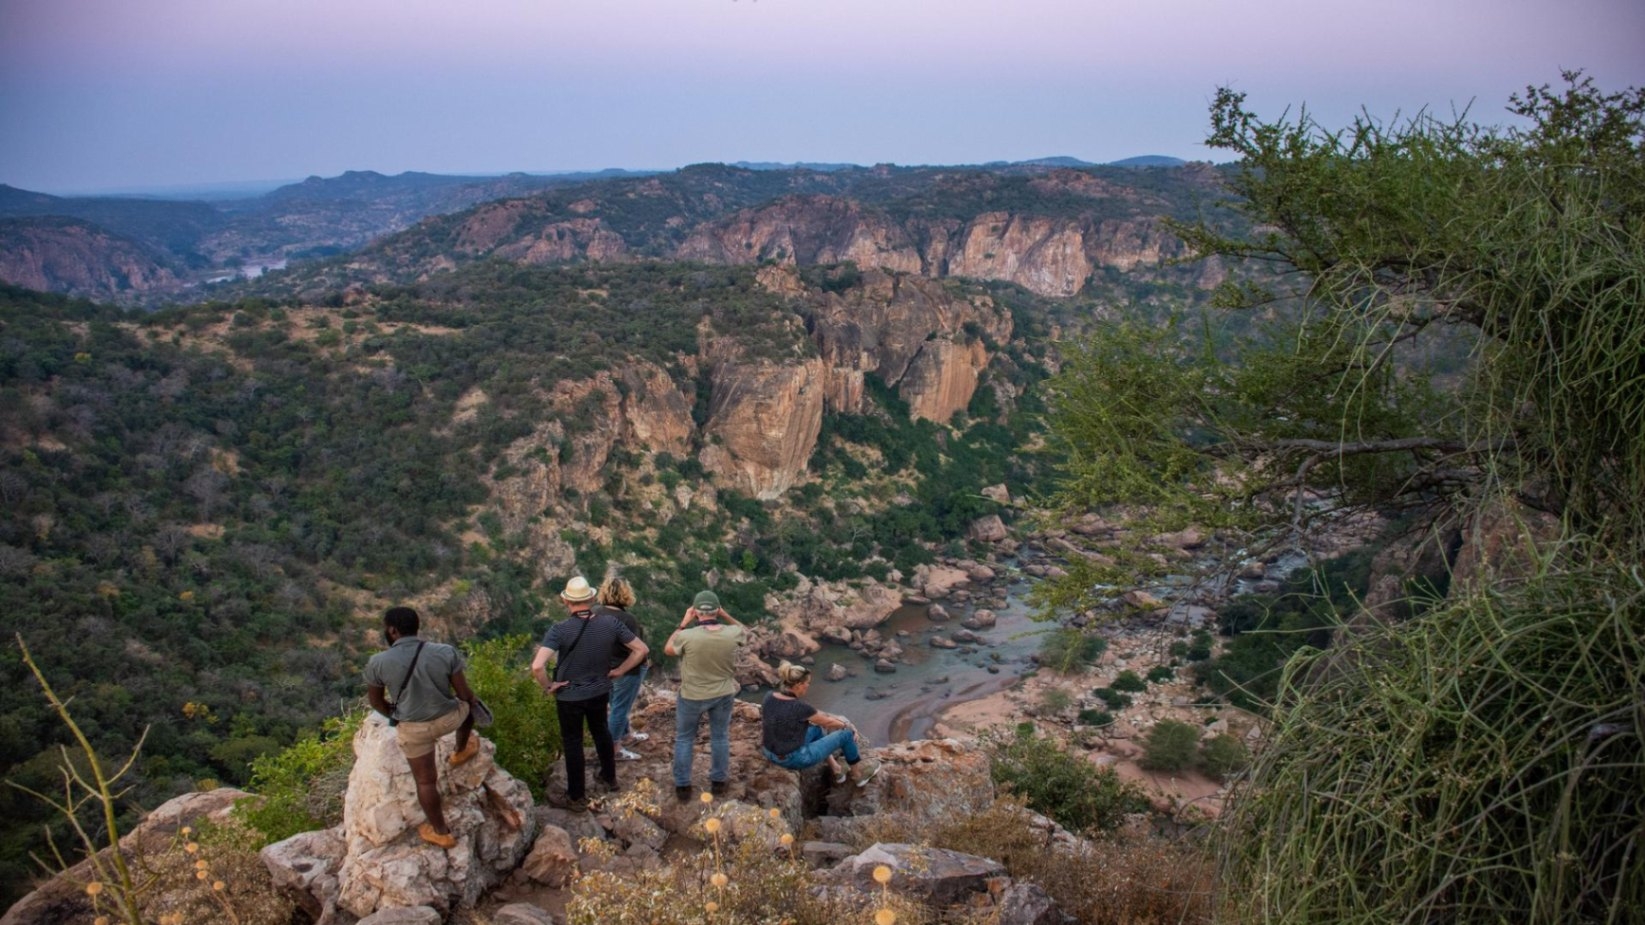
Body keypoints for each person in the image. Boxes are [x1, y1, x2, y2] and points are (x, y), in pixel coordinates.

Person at [363, 606, 481, 849]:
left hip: (414, 730)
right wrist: (469, 701)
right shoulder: (445, 652)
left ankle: (441, 832)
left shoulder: (377, 663)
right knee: (470, 706)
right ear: (417, 627)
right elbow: (464, 694)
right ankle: (460, 750)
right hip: (448, 719)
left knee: (426, 782)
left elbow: (376, 702)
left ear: (392, 631)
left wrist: (397, 715)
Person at [532, 576, 648, 812]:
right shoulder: (610, 625)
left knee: (573, 742)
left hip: (569, 696)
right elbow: (641, 650)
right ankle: (609, 778)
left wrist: (549, 686)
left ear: (565, 601)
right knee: (601, 732)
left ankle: (576, 797)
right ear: (592, 599)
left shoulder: (559, 630)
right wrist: (619, 671)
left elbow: (537, 666)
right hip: (599, 690)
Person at [663, 590, 745, 801]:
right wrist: (725, 615)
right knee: (720, 736)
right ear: (717, 611)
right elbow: (743, 630)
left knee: (684, 739)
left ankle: (683, 786)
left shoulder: (687, 636)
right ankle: (718, 782)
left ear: (696, 612)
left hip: (692, 695)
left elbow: (668, 649)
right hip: (723, 693)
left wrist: (683, 622)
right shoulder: (731, 633)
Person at [760, 661, 881, 787]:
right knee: (846, 735)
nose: (808, 686)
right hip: (793, 758)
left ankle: (836, 769)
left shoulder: (769, 696)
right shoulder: (800, 707)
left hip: (769, 752)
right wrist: (849, 727)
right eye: (807, 683)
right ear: (798, 685)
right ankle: (858, 776)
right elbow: (827, 721)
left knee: (816, 729)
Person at [598, 576, 649, 761]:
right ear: (626, 594)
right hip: (627, 671)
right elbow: (638, 650)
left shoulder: (596, 613)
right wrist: (623, 669)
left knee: (616, 705)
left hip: (605, 669)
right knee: (620, 709)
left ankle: (626, 735)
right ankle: (613, 749)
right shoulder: (627, 619)